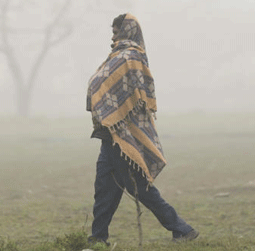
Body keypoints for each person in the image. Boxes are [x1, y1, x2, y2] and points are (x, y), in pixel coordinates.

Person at [85, 13, 199, 245]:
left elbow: (104, 84)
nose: (113, 36)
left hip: (125, 136)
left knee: (141, 189)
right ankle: (97, 238)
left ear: (127, 32)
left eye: (116, 32)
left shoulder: (130, 57)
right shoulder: (118, 56)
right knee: (105, 190)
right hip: (111, 136)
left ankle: (182, 229)